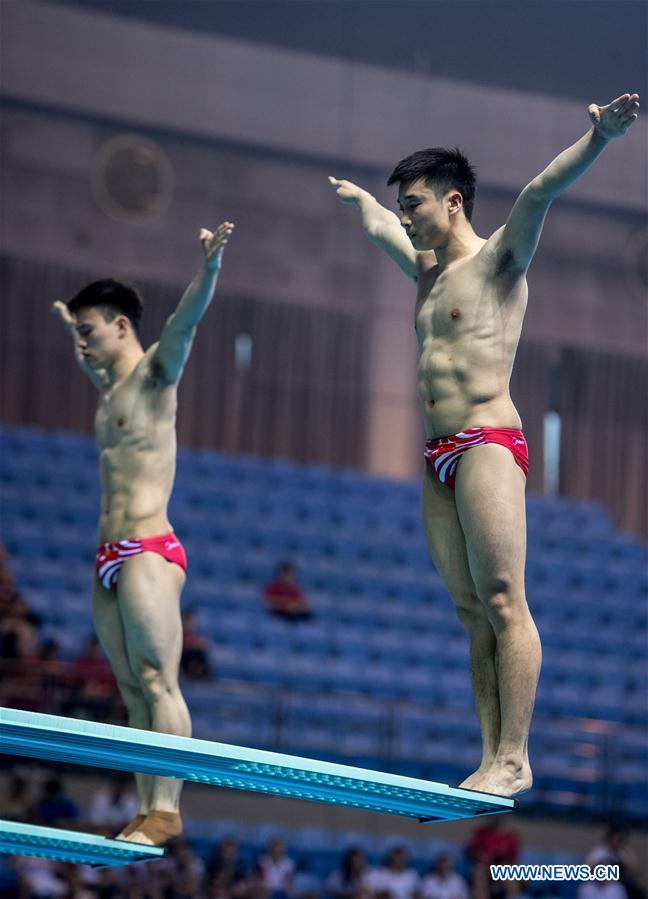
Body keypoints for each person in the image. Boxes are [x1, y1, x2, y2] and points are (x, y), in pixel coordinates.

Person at [329, 92, 640, 795]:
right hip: (437, 455)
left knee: (504, 601)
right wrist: (360, 202)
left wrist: (597, 140)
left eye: (415, 205)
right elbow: (382, 229)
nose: (406, 217)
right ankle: (488, 754)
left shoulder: (501, 261)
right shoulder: (426, 270)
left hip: (488, 442)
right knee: (471, 611)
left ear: (454, 203)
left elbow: (540, 189)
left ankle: (516, 755)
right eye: (402, 208)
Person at [52, 220, 234, 845]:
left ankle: (167, 811)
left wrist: (207, 269)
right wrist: (71, 329)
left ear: (122, 326)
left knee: (159, 681)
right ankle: (145, 805)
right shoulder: (109, 392)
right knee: (131, 689)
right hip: (106, 556)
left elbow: (185, 323)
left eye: (88, 332)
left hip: (149, 551)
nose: (81, 345)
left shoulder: (156, 374)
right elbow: (95, 367)